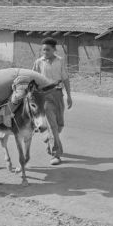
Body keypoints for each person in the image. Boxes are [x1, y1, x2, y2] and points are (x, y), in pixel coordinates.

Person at [32, 37, 72, 165]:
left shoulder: (60, 61)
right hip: (45, 96)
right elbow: (32, 79)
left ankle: (46, 136)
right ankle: (56, 154)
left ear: (54, 49)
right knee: (53, 126)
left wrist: (69, 96)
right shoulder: (38, 62)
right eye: (43, 50)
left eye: (48, 50)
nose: (45, 52)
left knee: (59, 125)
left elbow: (65, 78)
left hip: (58, 95)